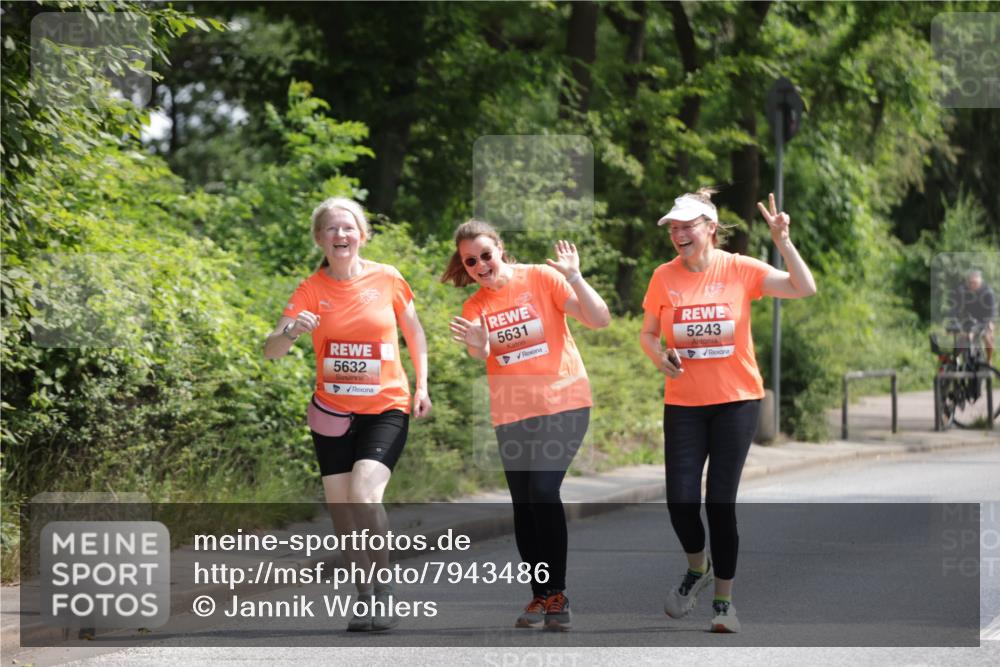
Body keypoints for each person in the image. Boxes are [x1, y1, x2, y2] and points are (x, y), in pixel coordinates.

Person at [640, 188, 816, 633]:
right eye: (673, 227)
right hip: (683, 403)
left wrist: (784, 243)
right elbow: (648, 333)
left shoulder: (738, 268)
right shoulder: (663, 277)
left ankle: (724, 604)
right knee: (680, 501)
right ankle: (697, 568)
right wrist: (658, 355)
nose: (678, 234)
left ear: (710, 229)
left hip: (737, 401)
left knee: (720, 502)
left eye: (687, 226)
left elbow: (803, 287)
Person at [264, 197, 432, 632]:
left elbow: (414, 333)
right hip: (333, 414)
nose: (341, 235)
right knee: (342, 512)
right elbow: (271, 351)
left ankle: (385, 587)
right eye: (332, 229)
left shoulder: (388, 278)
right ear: (320, 238)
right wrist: (290, 331)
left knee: (364, 496)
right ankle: (364, 596)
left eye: (349, 227)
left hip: (386, 408)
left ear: (362, 234)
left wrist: (423, 385)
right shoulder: (310, 290)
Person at [443, 220, 610, 631]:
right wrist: (479, 341)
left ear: (500, 248)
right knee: (524, 506)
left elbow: (599, 319)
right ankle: (540, 595)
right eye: (471, 261)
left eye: (485, 254)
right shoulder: (474, 307)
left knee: (542, 490)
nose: (481, 265)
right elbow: (479, 351)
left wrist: (575, 277)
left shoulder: (542, 277)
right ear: (465, 267)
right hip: (513, 412)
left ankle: (558, 593)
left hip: (564, 402)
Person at [948, 268, 997, 365]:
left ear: (980, 282)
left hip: (985, 320)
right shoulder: (964, 292)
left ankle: (989, 360)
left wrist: (990, 322)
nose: (972, 285)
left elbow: (992, 311)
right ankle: (955, 360)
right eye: (970, 282)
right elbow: (956, 307)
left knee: (988, 338)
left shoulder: (988, 293)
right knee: (962, 339)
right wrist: (953, 319)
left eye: (974, 283)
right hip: (969, 321)